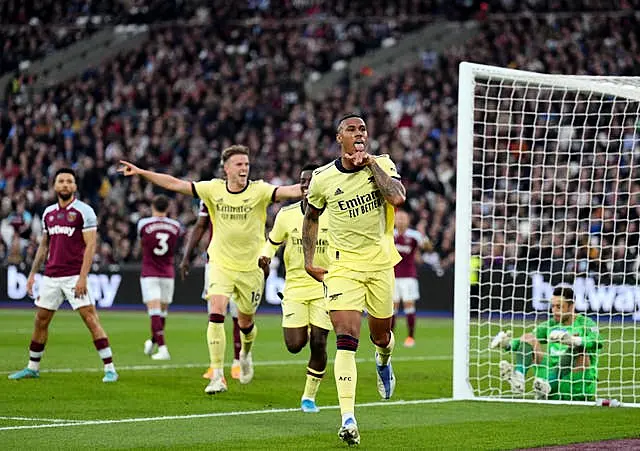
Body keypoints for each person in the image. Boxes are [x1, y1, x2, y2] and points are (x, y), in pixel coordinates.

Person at [118, 145, 302, 394]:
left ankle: (245, 354)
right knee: (216, 311)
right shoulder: (212, 189)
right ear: (226, 169)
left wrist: (316, 185)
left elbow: (289, 191)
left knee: (246, 323)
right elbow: (174, 184)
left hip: (251, 268)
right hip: (220, 264)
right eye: (239, 164)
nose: (244, 169)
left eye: (246, 164)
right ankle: (217, 375)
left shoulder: (260, 190)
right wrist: (141, 172)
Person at [302, 114, 406, 446]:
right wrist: (308, 260)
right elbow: (311, 217)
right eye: (352, 129)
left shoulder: (384, 164)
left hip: (379, 265)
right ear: (339, 138)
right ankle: (348, 417)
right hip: (343, 267)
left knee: (381, 336)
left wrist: (371, 165)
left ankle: (384, 360)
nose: (359, 133)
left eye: (363, 129)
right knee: (346, 339)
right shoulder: (322, 178)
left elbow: (397, 197)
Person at [8, 168, 118, 383]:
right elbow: (44, 246)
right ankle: (32, 367)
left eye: (69, 181)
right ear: (55, 185)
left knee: (90, 319)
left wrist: (83, 277)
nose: (65, 184)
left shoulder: (84, 211)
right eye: (61, 181)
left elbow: (90, 245)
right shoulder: (48, 213)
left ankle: (110, 368)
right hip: (50, 276)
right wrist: (32, 274)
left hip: (74, 275)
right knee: (41, 321)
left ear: (75, 186)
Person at [258, 164, 332, 414]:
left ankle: (309, 398)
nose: (305, 185)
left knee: (319, 342)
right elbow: (272, 242)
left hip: (325, 287)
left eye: (310, 181)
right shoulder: (286, 214)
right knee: (294, 345)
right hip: (295, 288)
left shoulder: (334, 214)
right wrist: (265, 257)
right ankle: (305, 326)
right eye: (302, 181)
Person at [491, 285, 603, 401]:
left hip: (576, 386)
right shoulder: (550, 324)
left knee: (580, 349)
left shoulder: (585, 323)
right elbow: (526, 340)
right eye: (553, 306)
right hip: (546, 383)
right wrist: (507, 345)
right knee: (529, 337)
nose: (554, 311)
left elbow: (598, 341)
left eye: (559, 307)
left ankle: (550, 383)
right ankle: (519, 378)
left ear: (571, 307)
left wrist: (574, 341)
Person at [180, 200, 242, 380]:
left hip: (242, 262)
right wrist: (187, 256)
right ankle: (216, 366)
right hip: (215, 262)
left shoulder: (251, 193)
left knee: (240, 314)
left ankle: (240, 360)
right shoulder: (210, 196)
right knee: (214, 313)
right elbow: (200, 226)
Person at [137, 194, 182, 361]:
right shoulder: (176, 225)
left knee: (154, 311)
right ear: (168, 208)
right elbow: (177, 245)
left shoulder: (143, 224)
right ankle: (155, 342)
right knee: (162, 313)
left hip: (150, 271)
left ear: (152, 207)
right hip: (168, 272)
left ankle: (161, 347)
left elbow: (141, 243)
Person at [392, 209, 433, 348]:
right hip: (392, 276)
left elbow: (428, 248)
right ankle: (390, 338)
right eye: (398, 218)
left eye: (403, 218)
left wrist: (423, 236)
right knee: (392, 308)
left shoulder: (414, 235)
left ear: (408, 220)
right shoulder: (389, 234)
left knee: (409, 306)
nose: (400, 220)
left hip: (409, 276)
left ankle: (410, 337)